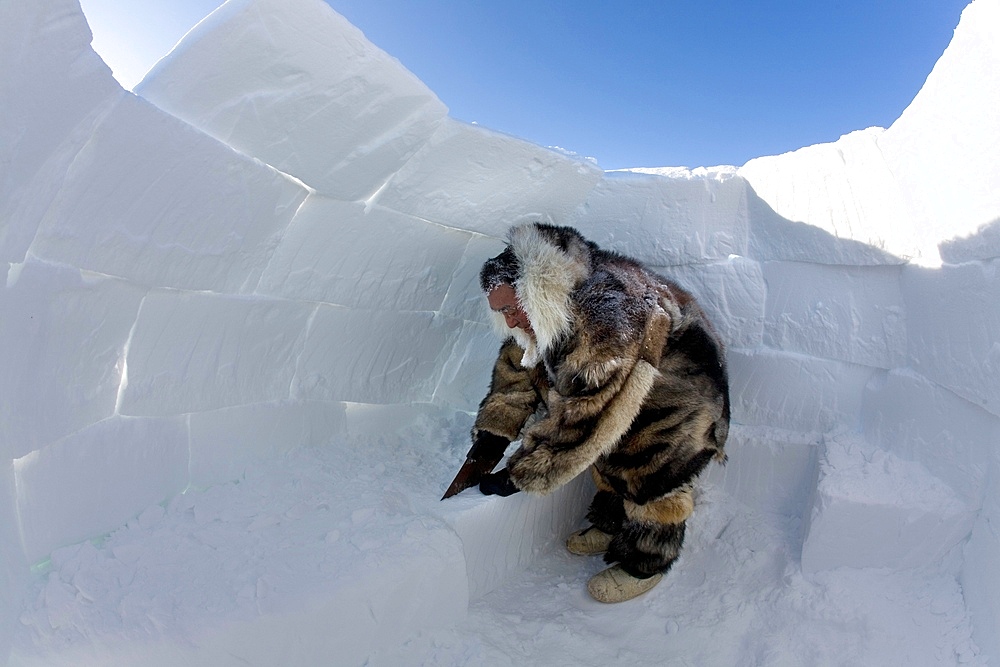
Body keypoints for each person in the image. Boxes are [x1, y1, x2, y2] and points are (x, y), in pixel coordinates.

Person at [462, 221, 730, 603]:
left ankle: (649, 559)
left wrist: (524, 472)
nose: (510, 321)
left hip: (684, 398)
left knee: (647, 467)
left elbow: (589, 418)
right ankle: (611, 522)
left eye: (511, 308)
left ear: (535, 289)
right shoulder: (549, 308)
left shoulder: (605, 314)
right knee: (605, 449)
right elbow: (522, 365)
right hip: (631, 384)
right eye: (500, 312)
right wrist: (495, 430)